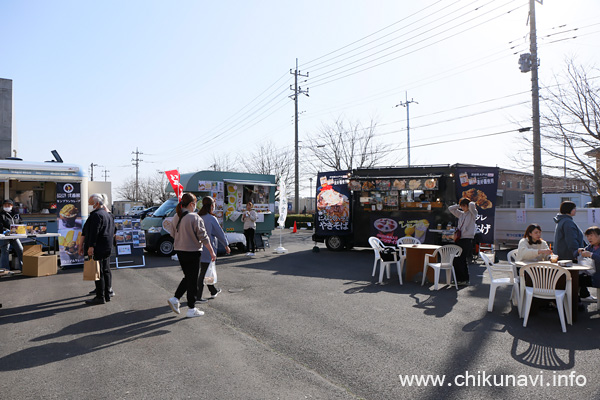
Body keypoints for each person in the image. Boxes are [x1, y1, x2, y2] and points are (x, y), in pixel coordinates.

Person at [165, 193, 216, 318]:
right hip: (193, 251)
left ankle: (176, 298)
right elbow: (203, 237)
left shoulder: (176, 216)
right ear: (192, 204)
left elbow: (172, 234)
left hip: (180, 250)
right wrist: (211, 251)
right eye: (195, 204)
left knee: (188, 277)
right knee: (192, 280)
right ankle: (191, 308)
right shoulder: (195, 217)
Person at [81, 194, 115, 305]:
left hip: (98, 247)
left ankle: (100, 296)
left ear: (96, 204)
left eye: (90, 203)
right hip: (107, 246)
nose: (89, 205)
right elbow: (113, 230)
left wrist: (91, 246)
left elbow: (94, 232)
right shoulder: (108, 215)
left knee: (98, 271)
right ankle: (106, 294)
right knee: (105, 270)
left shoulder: (96, 215)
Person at [197, 196, 230, 302]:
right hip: (208, 248)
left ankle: (213, 290)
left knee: (207, 270)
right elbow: (219, 233)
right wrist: (226, 245)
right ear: (212, 206)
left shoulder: (197, 217)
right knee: (204, 272)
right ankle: (198, 296)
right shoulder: (211, 218)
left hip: (196, 248)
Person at [448, 197, 478, 285]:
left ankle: (463, 279)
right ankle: (460, 279)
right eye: (462, 206)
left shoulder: (473, 213)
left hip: (467, 239)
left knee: (461, 259)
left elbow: (472, 205)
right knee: (457, 259)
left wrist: (468, 203)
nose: (463, 207)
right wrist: (459, 205)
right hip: (459, 238)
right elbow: (450, 208)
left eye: (465, 206)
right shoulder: (461, 214)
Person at [576, 226, 600, 302]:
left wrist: (591, 255)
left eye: (591, 235)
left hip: (598, 277)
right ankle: (576, 303)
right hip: (592, 276)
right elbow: (575, 254)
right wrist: (578, 251)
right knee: (574, 280)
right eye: (587, 236)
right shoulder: (591, 246)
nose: (589, 238)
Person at [0, 199, 23, 271]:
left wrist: (21, 228)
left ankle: (23, 267)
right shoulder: (1, 215)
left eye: (9, 205)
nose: (7, 206)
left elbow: (20, 222)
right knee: (5, 251)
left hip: (15, 236)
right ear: (3, 206)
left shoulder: (16, 214)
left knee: (20, 249)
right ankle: (5, 270)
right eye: (5, 205)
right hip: (5, 236)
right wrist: (6, 230)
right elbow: (0, 226)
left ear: (12, 206)